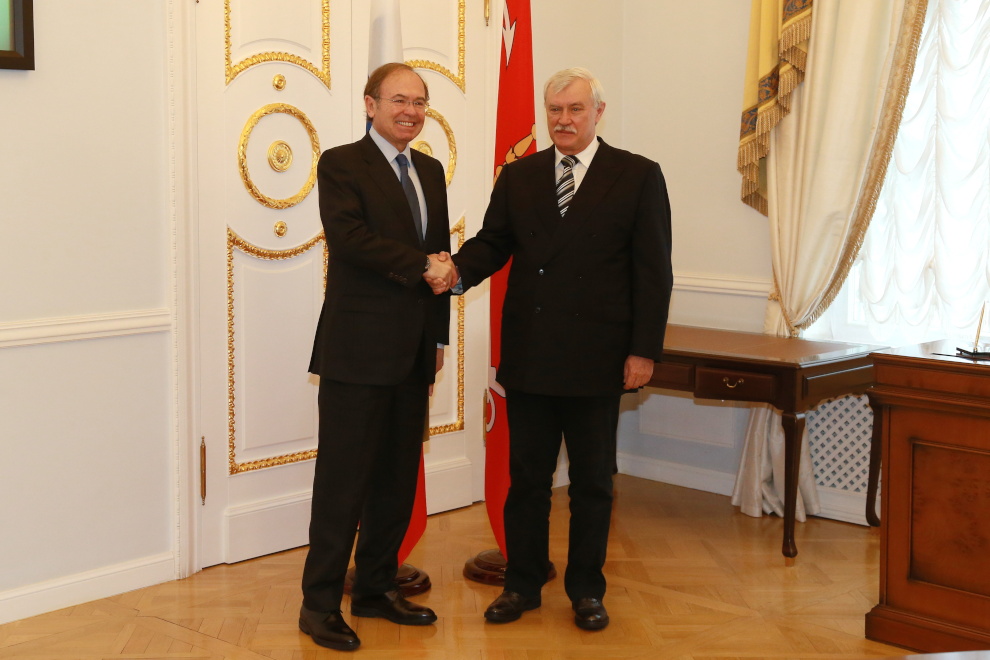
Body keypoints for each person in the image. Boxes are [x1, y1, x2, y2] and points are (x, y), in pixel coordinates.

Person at [430, 67, 673, 631]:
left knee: (592, 484)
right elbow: (493, 243)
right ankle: (521, 584)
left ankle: (587, 590)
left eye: (575, 109)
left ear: (598, 113)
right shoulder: (520, 176)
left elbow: (653, 271)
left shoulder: (637, 175)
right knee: (528, 483)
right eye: (555, 110)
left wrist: (643, 351)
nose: (563, 120)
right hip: (532, 355)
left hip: (599, 357)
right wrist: (455, 270)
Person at [299, 62, 457, 652]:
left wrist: (437, 340)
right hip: (357, 353)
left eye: (419, 102)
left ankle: (374, 589)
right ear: (371, 105)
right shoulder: (342, 163)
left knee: (395, 480)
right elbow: (351, 240)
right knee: (343, 484)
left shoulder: (430, 170)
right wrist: (422, 266)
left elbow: (439, 256)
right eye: (398, 100)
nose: (411, 112)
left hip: (413, 353)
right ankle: (318, 606)